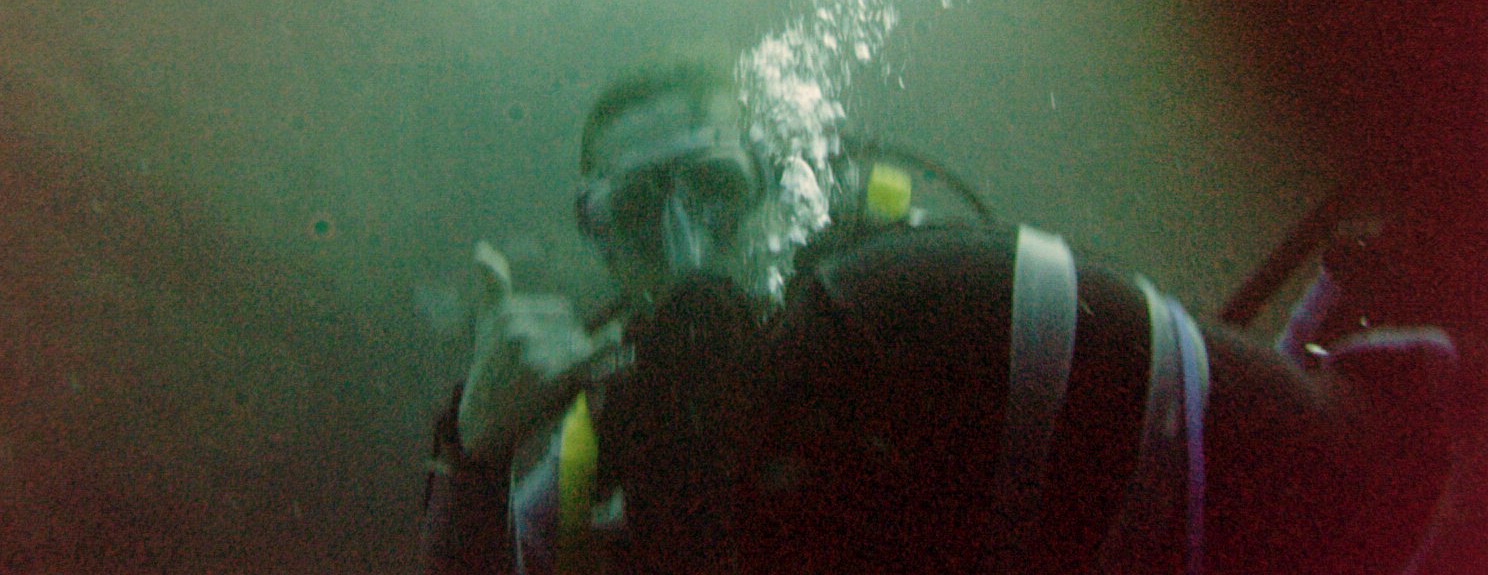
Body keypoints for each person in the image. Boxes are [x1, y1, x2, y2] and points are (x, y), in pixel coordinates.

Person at [421, 60, 1458, 575]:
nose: (688, 243)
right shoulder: (594, 473)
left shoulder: (918, 316)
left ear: (780, 186)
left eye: (716, 189)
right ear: (600, 241)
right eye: (635, 213)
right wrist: (474, 449)